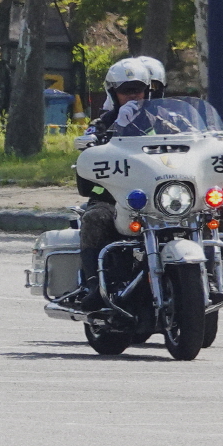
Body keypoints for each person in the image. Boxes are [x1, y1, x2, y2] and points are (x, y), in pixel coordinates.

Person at [64, 57, 157, 311]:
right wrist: (117, 128)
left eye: (138, 90)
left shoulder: (161, 122)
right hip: (113, 198)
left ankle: (207, 274)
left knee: (203, 214)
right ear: (113, 94)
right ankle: (96, 286)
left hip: (158, 199)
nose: (133, 96)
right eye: (126, 91)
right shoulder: (101, 125)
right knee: (95, 218)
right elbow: (88, 153)